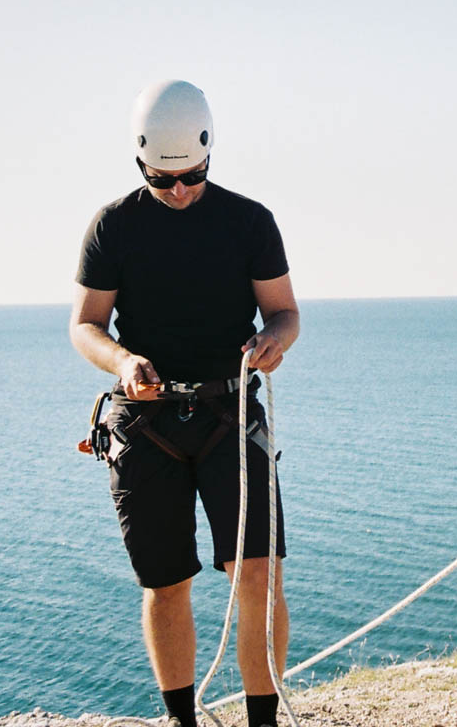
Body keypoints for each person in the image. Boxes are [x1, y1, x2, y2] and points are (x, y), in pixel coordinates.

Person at [70, 80, 300, 727]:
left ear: (208, 153)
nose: (179, 191)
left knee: (256, 573)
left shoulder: (248, 221)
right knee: (165, 582)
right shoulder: (113, 225)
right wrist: (122, 361)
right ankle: (182, 722)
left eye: (192, 176)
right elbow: (85, 325)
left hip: (230, 413)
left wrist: (272, 341)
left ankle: (263, 721)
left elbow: (284, 313)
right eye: (162, 179)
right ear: (140, 160)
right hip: (145, 423)